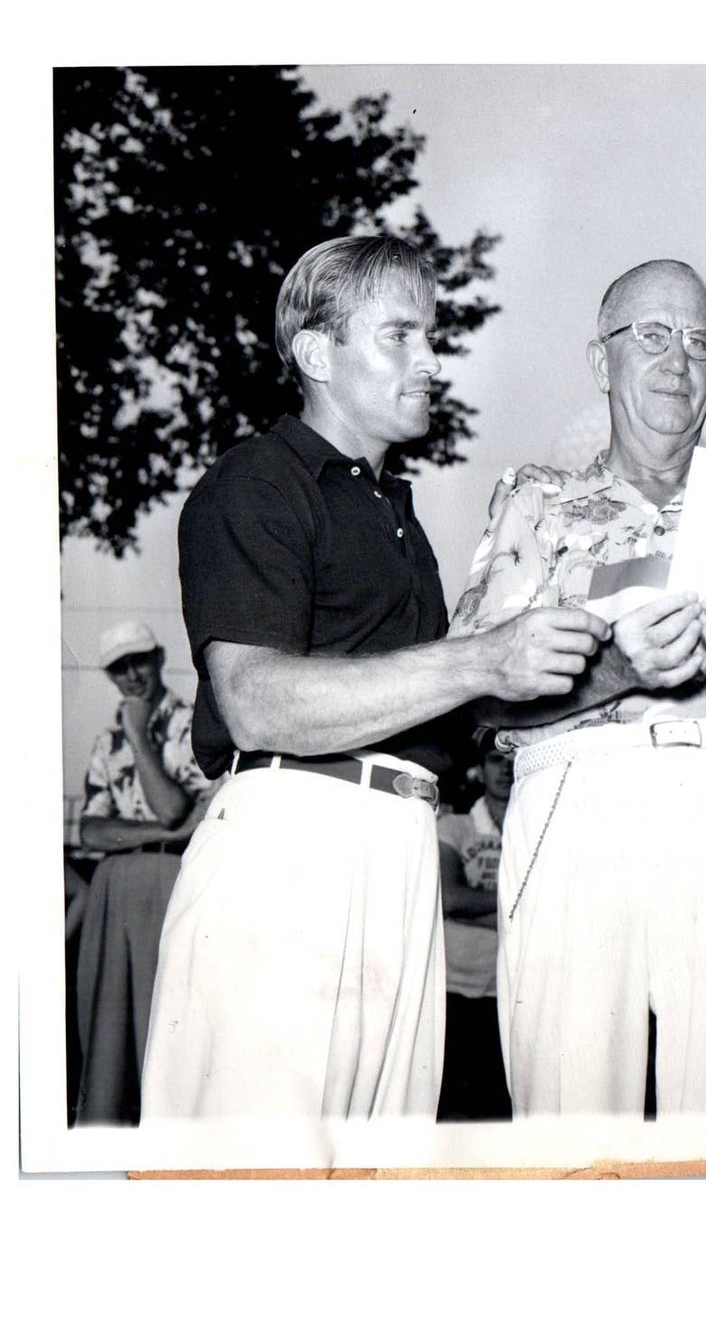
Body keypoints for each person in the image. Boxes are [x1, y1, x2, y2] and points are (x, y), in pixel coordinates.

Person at [141, 236, 608, 1121]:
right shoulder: (257, 484)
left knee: (371, 1192)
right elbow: (254, 699)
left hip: (401, 851)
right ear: (317, 352)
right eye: (401, 335)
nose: (431, 361)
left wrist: (610, 656)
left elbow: (451, 700)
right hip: (292, 845)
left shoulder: (395, 513)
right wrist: (479, 655)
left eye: (431, 337)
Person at [449, 258, 706, 1116]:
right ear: (601, 361)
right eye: (651, 336)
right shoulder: (536, 499)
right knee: (570, 1115)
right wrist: (615, 669)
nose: (677, 361)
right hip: (578, 797)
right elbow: (476, 696)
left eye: (701, 344)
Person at [73, 620, 211, 1124]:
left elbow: (172, 807)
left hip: (170, 882)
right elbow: (90, 831)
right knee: (106, 1027)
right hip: (114, 888)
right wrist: (164, 830)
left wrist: (137, 735)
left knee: (166, 1019)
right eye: (118, 668)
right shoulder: (105, 742)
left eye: (139, 661)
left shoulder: (193, 725)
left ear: (157, 658)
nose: (131, 676)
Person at [434, 734, 513, 1121]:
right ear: (480, 769)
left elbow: (465, 904)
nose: (507, 767)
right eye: (496, 759)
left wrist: (472, 908)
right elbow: (451, 899)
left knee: (496, 1110)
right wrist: (520, 907)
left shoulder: (533, 827)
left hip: (510, 988)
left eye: (514, 758)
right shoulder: (454, 826)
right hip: (454, 988)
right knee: (447, 1109)